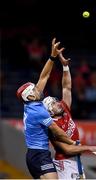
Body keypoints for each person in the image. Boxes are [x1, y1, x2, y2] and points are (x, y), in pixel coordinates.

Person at [16, 38, 78, 180]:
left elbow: (44, 76)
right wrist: (74, 143)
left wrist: (52, 56)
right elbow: (57, 132)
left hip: (38, 154)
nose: (38, 87)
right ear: (30, 96)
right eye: (34, 89)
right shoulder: (37, 111)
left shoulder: (32, 101)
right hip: (38, 155)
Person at [43, 52, 96, 179]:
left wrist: (65, 67)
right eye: (52, 104)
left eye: (55, 100)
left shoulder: (64, 109)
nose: (57, 103)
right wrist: (89, 148)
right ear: (50, 113)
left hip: (76, 160)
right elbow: (67, 149)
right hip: (64, 163)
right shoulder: (52, 126)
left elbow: (67, 88)